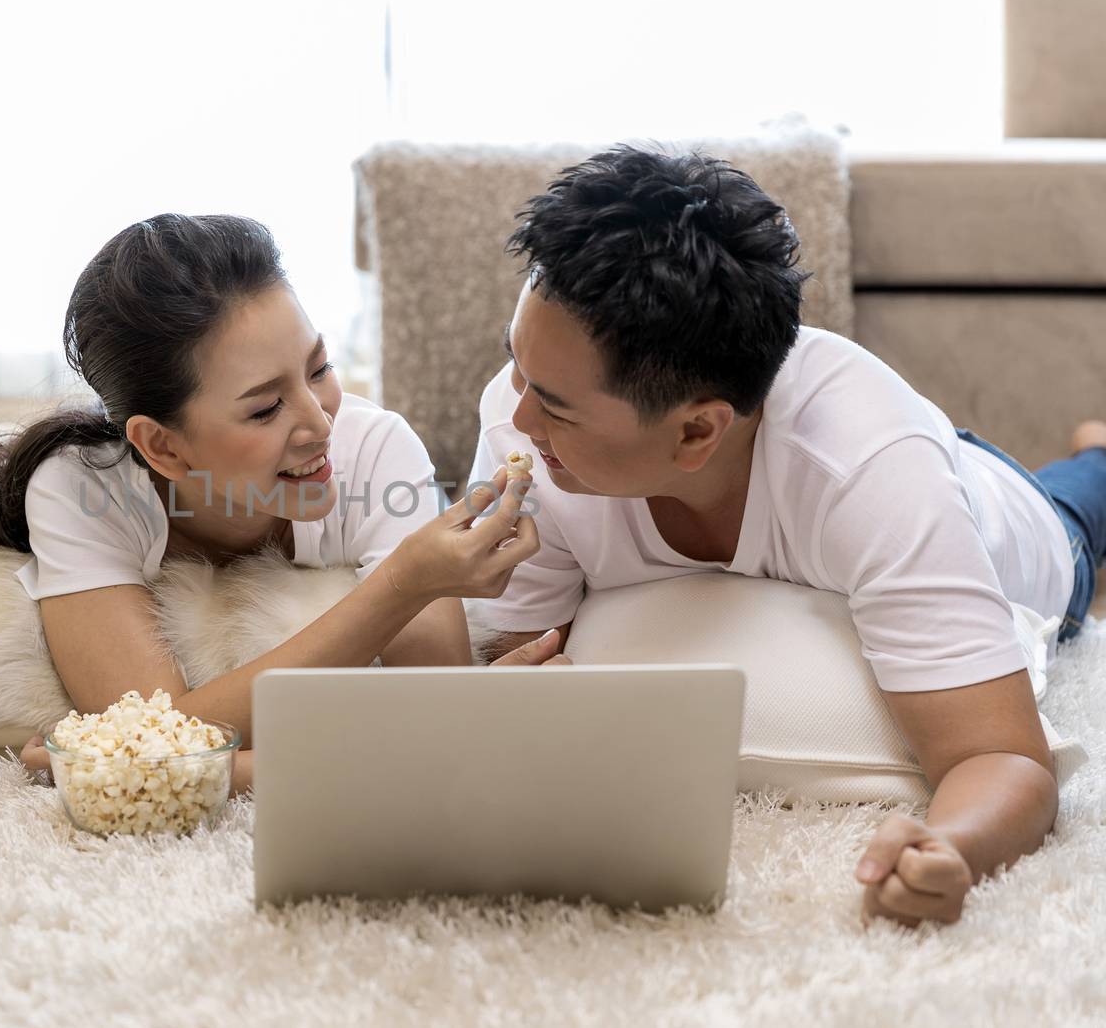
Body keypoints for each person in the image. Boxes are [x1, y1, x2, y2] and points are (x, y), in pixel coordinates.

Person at [470, 145, 1106, 928]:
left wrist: (951, 848)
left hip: (1011, 515)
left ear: (698, 429)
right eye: (517, 369)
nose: (518, 417)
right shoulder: (523, 418)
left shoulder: (874, 471)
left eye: (557, 407)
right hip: (888, 468)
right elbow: (519, 651)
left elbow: (1005, 757)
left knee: (1076, 509)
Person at [0, 213, 561, 794]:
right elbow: (150, 739)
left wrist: (120, 767)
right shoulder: (82, 489)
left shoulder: (375, 450)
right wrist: (401, 585)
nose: (320, 423)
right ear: (161, 445)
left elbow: (436, 715)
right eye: (266, 408)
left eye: (319, 367)